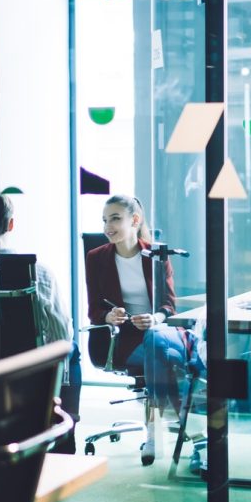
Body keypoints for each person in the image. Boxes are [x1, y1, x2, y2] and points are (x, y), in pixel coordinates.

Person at [85, 194, 198, 466]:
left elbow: (169, 305)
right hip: (125, 341)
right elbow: (94, 310)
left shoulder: (156, 255)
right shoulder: (96, 258)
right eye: (104, 220)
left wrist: (155, 318)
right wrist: (109, 315)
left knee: (156, 339)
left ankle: (154, 432)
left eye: (115, 218)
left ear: (134, 220)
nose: (107, 226)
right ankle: (192, 432)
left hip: (159, 331)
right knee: (172, 358)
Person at [0, 191, 82, 454]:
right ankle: (61, 431)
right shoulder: (38, 273)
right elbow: (60, 335)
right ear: (11, 224)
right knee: (72, 349)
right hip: (26, 371)